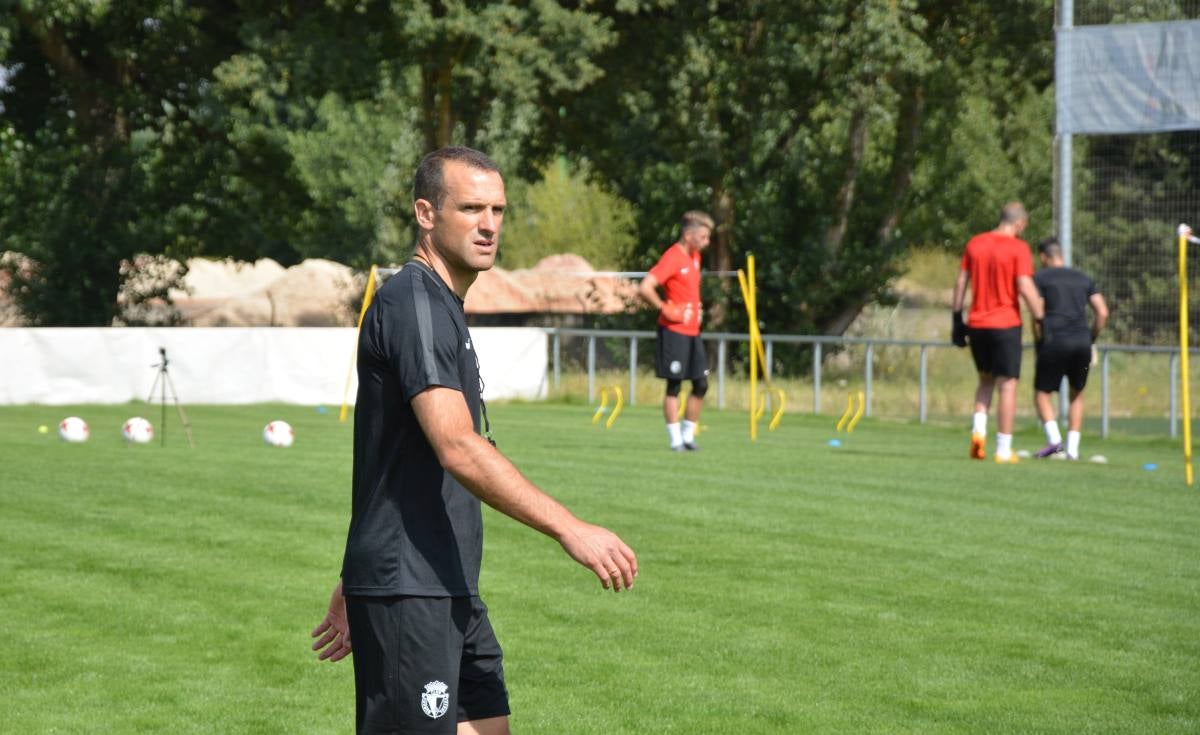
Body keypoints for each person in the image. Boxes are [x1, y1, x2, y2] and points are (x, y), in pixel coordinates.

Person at [310, 147, 638, 735]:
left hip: (443, 582)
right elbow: (455, 445)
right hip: (412, 589)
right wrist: (571, 528)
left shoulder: (444, 307)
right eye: (471, 208)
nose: (489, 225)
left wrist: (353, 572)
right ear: (426, 214)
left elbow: (393, 462)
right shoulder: (414, 305)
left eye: (498, 210)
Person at [951, 202, 1045, 463]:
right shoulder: (1018, 248)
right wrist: (1040, 317)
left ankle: (978, 435)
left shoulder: (975, 243)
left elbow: (961, 281)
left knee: (984, 381)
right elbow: (1025, 286)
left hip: (977, 324)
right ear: (1020, 223)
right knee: (1008, 385)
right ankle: (1003, 449)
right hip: (1005, 325)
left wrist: (957, 318)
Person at [638, 211, 714, 451]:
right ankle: (675, 441)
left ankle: (689, 435)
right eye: (703, 236)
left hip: (693, 331)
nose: (706, 242)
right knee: (674, 384)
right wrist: (666, 308)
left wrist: (696, 308)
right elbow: (645, 287)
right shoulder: (673, 257)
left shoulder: (695, 258)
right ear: (688, 234)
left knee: (701, 384)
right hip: (673, 331)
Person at [1031, 237, 1109, 460]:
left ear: (1044, 257)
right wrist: (1091, 338)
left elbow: (1038, 312)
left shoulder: (1041, 277)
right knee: (1077, 394)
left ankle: (1055, 442)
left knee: (1042, 393)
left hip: (1054, 341)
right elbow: (1102, 312)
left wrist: (1039, 341)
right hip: (1082, 342)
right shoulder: (1083, 278)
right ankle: (1073, 450)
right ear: (1061, 255)